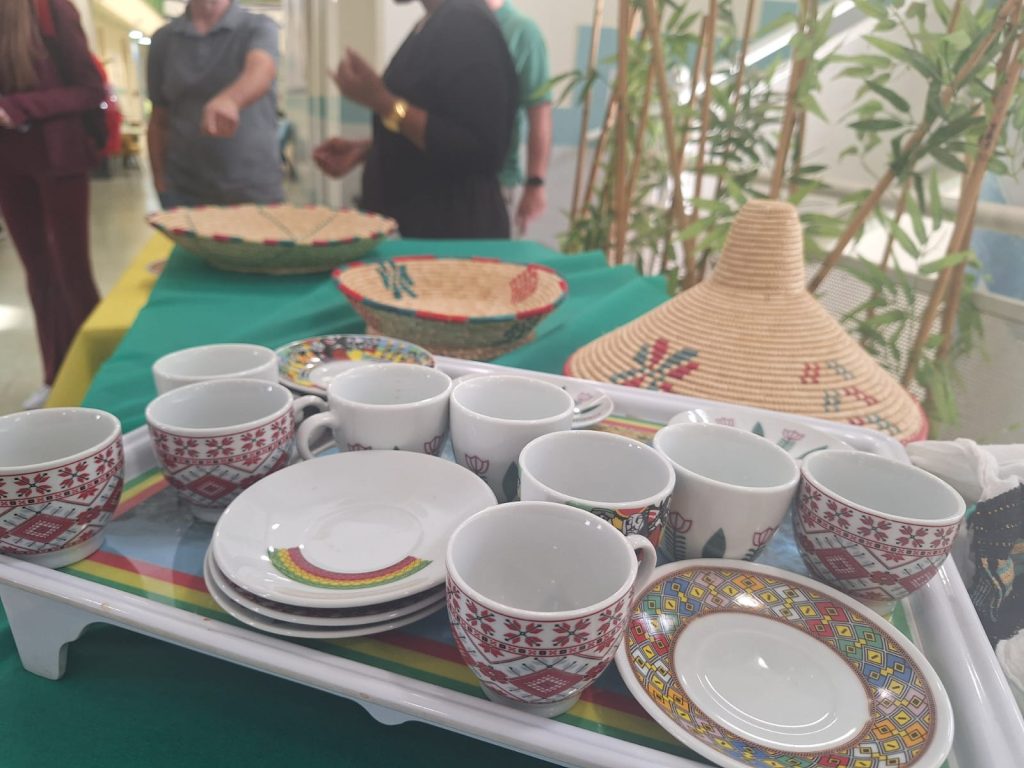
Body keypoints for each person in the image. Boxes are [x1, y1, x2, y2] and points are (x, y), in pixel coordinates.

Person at [313, 0, 518, 239]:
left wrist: (383, 102)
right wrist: (366, 149)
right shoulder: (434, 22)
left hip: (450, 237)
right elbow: (441, 124)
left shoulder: (466, 23)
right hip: (421, 228)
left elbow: (480, 147)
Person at [0, 0, 105, 409]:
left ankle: (98, 373)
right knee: (39, 274)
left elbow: (91, 90)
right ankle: (56, 375)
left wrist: (17, 107)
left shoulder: (51, 10)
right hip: (9, 163)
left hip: (60, 157)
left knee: (71, 272)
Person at [147, 0, 282, 208]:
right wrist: (160, 181)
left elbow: (262, 70)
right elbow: (159, 120)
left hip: (254, 189)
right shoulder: (163, 40)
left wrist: (231, 99)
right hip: (184, 190)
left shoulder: (258, 27)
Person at [486, 0, 551, 237]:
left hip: (496, 182)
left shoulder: (522, 33)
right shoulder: (449, 23)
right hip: (442, 180)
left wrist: (535, 183)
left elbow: (540, 115)